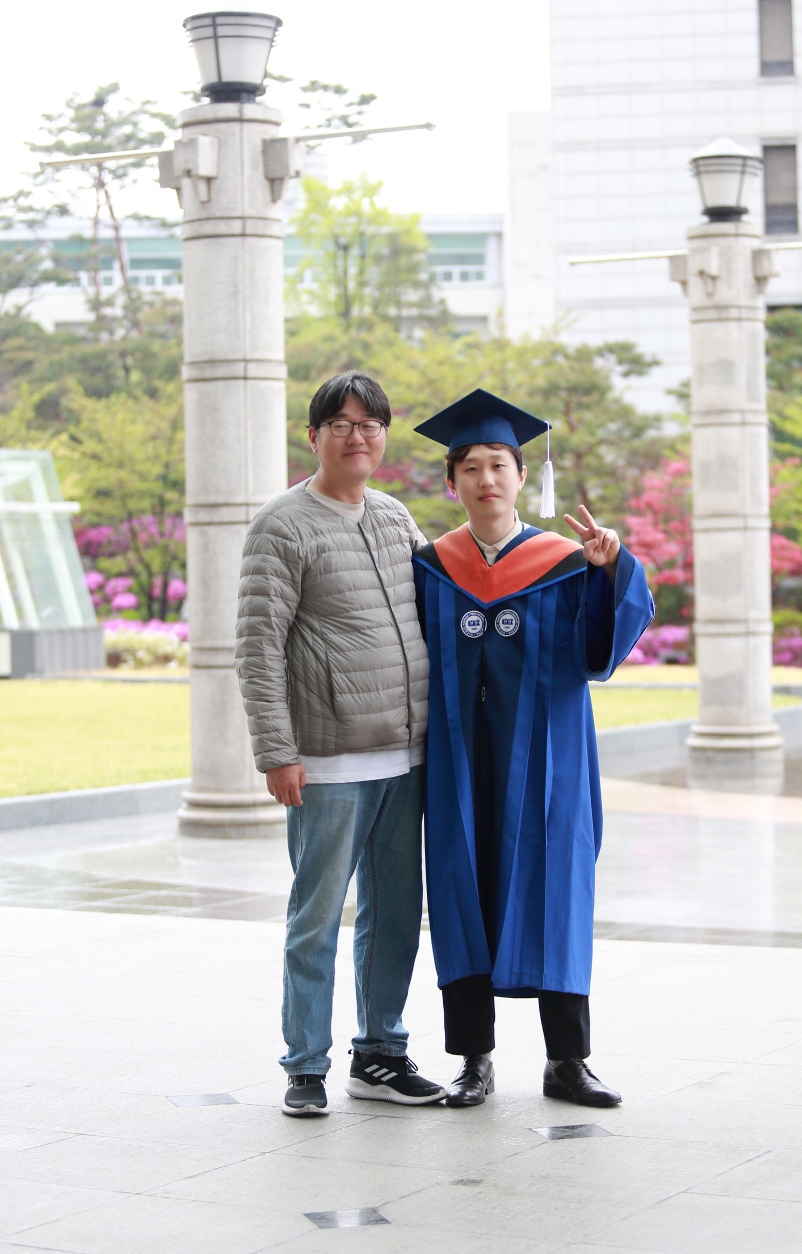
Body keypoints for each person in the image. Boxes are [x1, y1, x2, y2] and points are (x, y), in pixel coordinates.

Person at [412, 389, 654, 1108]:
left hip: (550, 760)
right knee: (461, 888)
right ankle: (473, 1060)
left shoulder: (566, 562)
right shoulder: (430, 567)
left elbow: (597, 654)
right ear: (451, 482)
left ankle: (567, 1062)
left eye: (499, 465)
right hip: (460, 762)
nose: (486, 479)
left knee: (556, 887)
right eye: (470, 468)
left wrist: (609, 571)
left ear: (522, 476)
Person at [235, 371, 445, 1116]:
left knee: (395, 916)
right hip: (326, 760)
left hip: (407, 756)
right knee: (317, 918)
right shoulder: (282, 524)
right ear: (314, 436)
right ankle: (304, 1065)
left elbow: (443, 598)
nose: (358, 436)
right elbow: (257, 645)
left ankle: (380, 1053)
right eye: (342, 424)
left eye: (371, 425)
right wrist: (276, 752)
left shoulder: (393, 515)